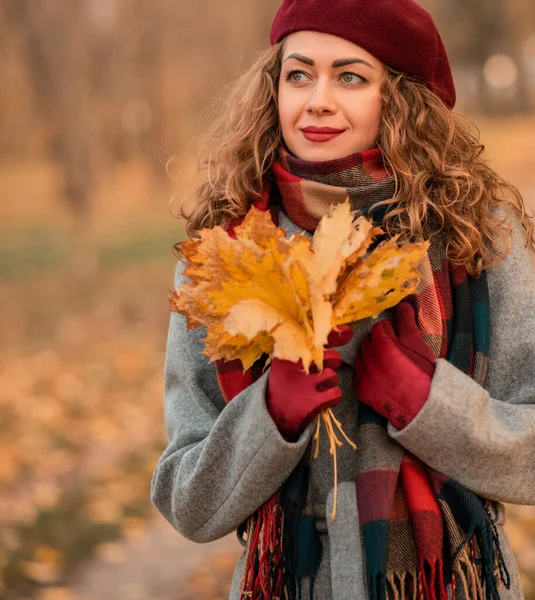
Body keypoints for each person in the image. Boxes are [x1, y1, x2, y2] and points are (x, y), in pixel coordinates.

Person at [151, 1, 535, 598]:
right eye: (299, 74)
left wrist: (431, 406)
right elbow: (186, 499)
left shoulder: (478, 235)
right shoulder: (221, 255)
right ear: (272, 88)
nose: (318, 99)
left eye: (350, 76)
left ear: (401, 97)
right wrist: (269, 415)